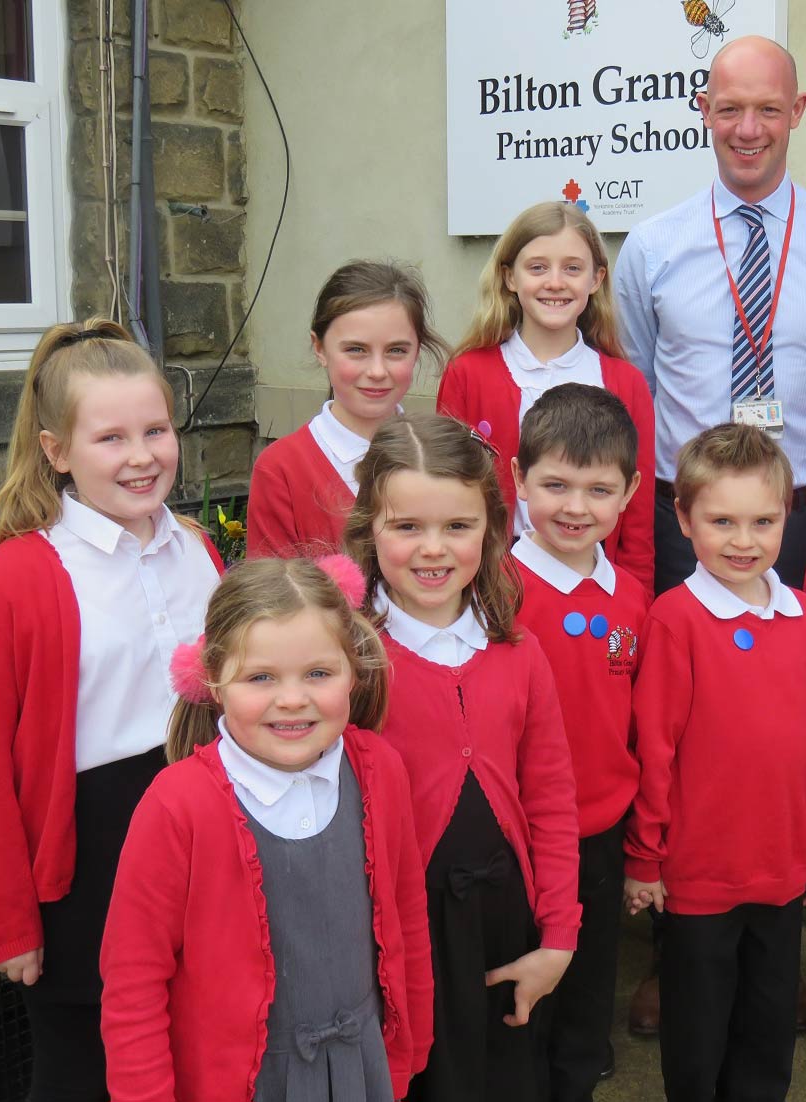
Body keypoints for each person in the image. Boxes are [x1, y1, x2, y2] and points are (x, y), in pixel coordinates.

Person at [0, 320, 223, 1100]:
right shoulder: (8, 585)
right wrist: (7, 925)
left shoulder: (198, 547)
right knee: (88, 1073)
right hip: (87, 857)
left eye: (156, 430)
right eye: (111, 438)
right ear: (56, 450)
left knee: (196, 1050)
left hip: (199, 829)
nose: (142, 456)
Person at [99, 556, 433, 1101]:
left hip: (362, 1070)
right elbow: (133, 984)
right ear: (212, 680)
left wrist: (411, 1045)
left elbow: (407, 913)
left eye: (319, 674)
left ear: (355, 669)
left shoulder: (381, 771)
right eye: (261, 678)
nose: (293, 699)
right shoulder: (177, 805)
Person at [343, 413, 582, 1102]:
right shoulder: (346, 660)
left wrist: (558, 939)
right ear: (369, 529)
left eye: (458, 526)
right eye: (406, 526)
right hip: (402, 935)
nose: (433, 550)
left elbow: (551, 798)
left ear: (492, 529)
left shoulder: (519, 651)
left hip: (509, 927)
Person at [614, 35, 806, 596]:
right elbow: (633, 382)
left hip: (801, 521)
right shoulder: (651, 245)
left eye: (768, 108)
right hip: (682, 523)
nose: (748, 129)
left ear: (797, 111)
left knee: (794, 679)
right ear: (704, 110)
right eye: (730, 109)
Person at [624, 423, 806, 1102]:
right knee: (698, 1026)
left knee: (769, 1020)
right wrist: (645, 857)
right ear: (684, 519)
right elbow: (654, 748)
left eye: (762, 521)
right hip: (698, 873)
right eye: (722, 521)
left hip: (781, 868)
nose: (743, 540)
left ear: (786, 519)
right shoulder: (675, 619)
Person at [509, 384, 650, 1099]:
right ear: (518, 479)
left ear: (628, 494)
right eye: (555, 484)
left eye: (599, 489)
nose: (575, 507)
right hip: (518, 835)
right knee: (520, 999)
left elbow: (638, 726)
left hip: (599, 830)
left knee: (589, 994)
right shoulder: (494, 590)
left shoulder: (632, 599)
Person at [439, 201, 655, 593]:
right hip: (496, 589)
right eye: (537, 267)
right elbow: (447, 496)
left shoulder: (626, 383)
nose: (555, 282)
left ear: (596, 279)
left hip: (596, 592)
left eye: (572, 268)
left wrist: (636, 599)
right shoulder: (468, 373)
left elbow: (638, 521)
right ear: (509, 277)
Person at [247, 260, 446, 557]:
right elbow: (273, 595)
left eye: (396, 351)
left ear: (417, 349)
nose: (377, 371)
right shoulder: (282, 469)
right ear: (319, 348)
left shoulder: (443, 453)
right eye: (356, 350)